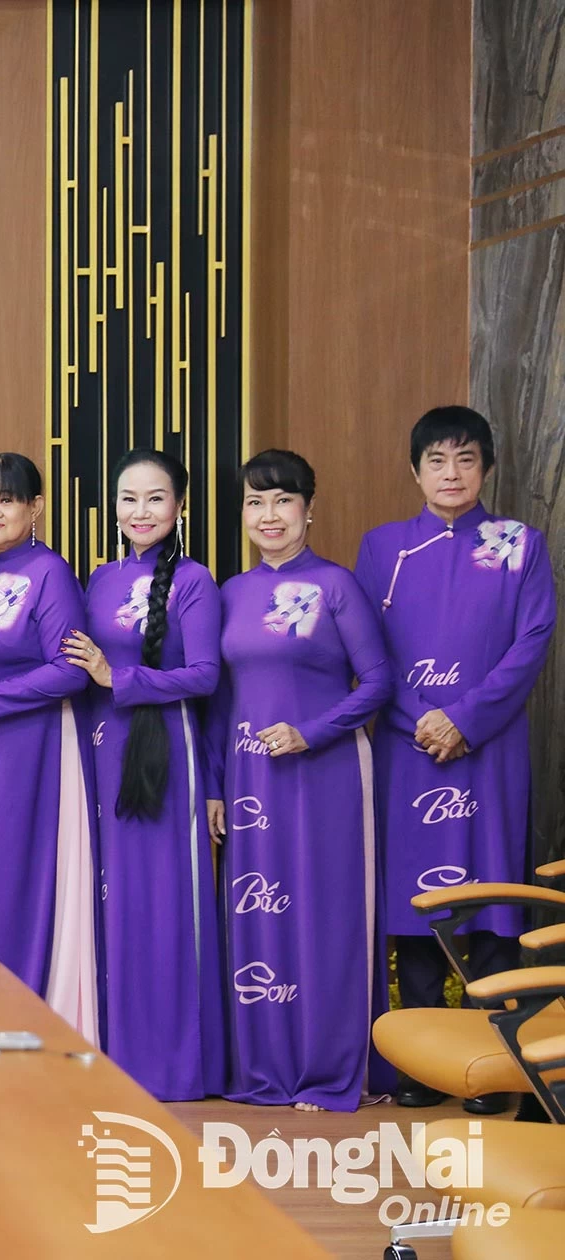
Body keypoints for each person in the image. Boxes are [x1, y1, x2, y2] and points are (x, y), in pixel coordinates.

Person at [354, 406, 556, 1110]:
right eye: (436, 460)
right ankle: (420, 1065)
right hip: (408, 748)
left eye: (465, 459)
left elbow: (531, 644)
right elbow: (366, 651)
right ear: (415, 471)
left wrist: (464, 721)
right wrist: (423, 721)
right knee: (414, 906)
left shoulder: (520, 544)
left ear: (487, 468)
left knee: (494, 901)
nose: (451, 473)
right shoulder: (382, 548)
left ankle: (496, 1067)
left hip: (489, 749)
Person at [205, 449, 392, 1112]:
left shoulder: (337, 587)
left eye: (282, 500)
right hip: (251, 777)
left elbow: (377, 683)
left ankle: (327, 1069)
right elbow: (220, 700)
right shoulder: (229, 593)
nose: (268, 515)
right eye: (255, 502)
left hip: (327, 774)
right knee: (256, 916)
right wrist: (215, 786)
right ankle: (268, 1069)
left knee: (324, 917)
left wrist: (313, 731)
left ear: (309, 508)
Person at [64, 451, 225, 1100]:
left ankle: (176, 1068)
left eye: (156, 498)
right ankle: (117, 1060)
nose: (141, 512)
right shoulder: (97, 580)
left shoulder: (194, 581)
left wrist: (116, 677)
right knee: (110, 905)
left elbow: (206, 676)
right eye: (129, 499)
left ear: (180, 507)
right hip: (100, 757)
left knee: (164, 908)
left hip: (164, 758)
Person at [0, 453, 98, 1038]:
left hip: (25, 752)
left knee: (10, 882)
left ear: (35, 507)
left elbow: (71, 670)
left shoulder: (50, 572)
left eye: (7, 499)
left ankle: (17, 1016)